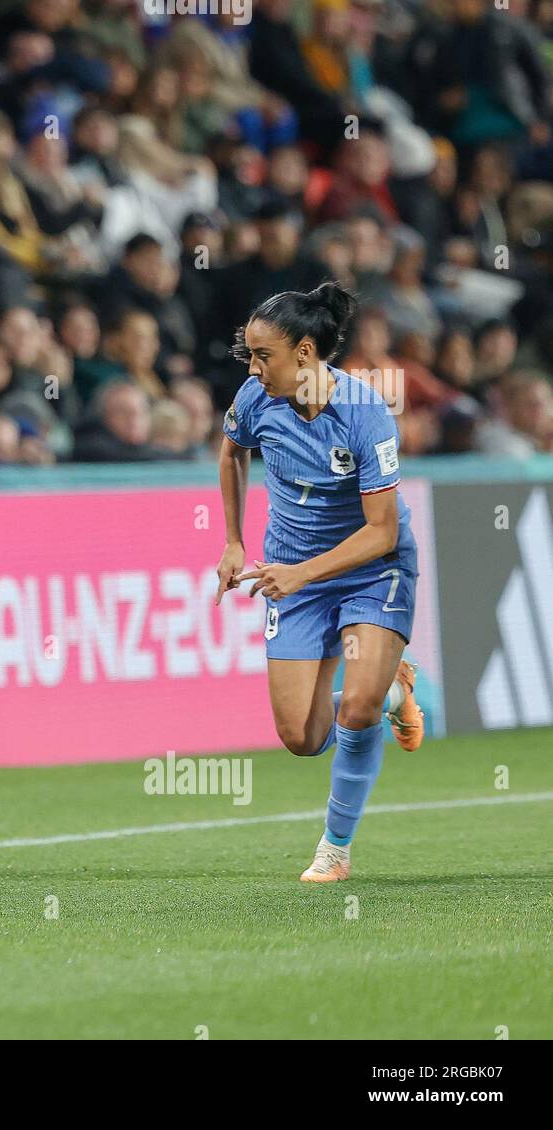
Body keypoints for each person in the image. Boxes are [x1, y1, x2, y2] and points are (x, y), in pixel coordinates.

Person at [214, 282, 425, 884]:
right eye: (249, 356)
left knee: (353, 711)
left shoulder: (364, 414)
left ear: (305, 353)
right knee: (301, 736)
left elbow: (382, 532)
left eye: (264, 356)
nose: (254, 369)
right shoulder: (257, 399)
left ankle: (334, 849)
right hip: (296, 573)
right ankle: (389, 690)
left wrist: (299, 574)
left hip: (370, 571)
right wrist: (234, 540)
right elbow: (231, 453)